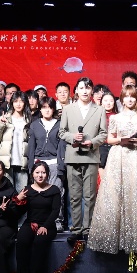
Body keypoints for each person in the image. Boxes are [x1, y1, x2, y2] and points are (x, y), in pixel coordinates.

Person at [87, 84, 137, 256]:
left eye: (133, 96)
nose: (130, 99)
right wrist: (121, 140)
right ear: (122, 99)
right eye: (127, 96)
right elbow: (109, 139)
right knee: (117, 193)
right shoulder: (115, 118)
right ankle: (115, 237)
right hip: (119, 156)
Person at [59, 78, 107, 239]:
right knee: (74, 196)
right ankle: (76, 229)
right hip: (73, 156)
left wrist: (92, 142)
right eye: (81, 88)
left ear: (92, 90)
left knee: (90, 196)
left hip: (91, 156)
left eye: (88, 88)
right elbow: (61, 132)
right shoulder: (68, 109)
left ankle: (88, 230)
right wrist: (73, 137)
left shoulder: (99, 110)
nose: (85, 91)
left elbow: (103, 134)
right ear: (76, 91)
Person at [13, 160, 63, 273]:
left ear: (47, 174)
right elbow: (19, 212)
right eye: (37, 172)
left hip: (47, 225)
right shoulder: (27, 190)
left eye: (43, 172)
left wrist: (45, 226)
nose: (40, 175)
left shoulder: (54, 190)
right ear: (32, 174)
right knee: (22, 241)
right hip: (30, 223)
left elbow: (55, 211)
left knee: (39, 242)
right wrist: (18, 199)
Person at [27, 96, 66, 229]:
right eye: (44, 107)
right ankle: (37, 220)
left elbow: (62, 147)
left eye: (50, 107)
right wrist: (31, 166)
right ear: (40, 109)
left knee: (57, 192)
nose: (47, 110)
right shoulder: (35, 125)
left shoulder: (60, 124)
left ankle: (57, 222)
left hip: (54, 163)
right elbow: (31, 147)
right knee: (38, 194)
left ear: (54, 109)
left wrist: (61, 165)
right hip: (39, 162)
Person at [0, 89, 30, 192]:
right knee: (6, 193)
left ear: (25, 103)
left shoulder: (28, 120)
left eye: (21, 101)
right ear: (12, 103)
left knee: (22, 194)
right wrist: (1, 124)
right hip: (6, 164)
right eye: (16, 101)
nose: (18, 104)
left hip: (22, 163)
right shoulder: (5, 118)